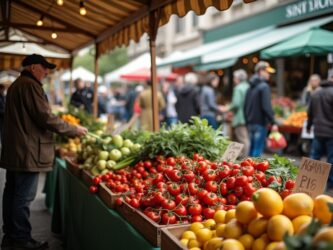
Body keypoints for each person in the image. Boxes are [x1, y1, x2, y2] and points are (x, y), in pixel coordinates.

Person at [0, 54, 88, 250]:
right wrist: (74, 130)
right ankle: (21, 239)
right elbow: (45, 117)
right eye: (44, 67)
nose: (47, 72)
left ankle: (11, 236)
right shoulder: (30, 86)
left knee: (12, 194)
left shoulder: (17, 85)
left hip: (18, 149)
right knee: (22, 197)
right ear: (33, 67)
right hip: (27, 151)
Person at [244, 61, 278, 157]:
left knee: (251, 150)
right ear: (261, 71)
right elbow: (266, 107)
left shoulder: (249, 86)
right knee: (257, 151)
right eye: (267, 72)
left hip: (250, 122)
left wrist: (247, 119)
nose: (269, 75)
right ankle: (254, 171)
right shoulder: (264, 87)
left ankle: (248, 170)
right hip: (260, 123)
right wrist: (273, 122)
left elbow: (245, 106)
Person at [307, 73, 333, 189]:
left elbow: (310, 113)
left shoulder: (316, 93)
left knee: (314, 159)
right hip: (331, 132)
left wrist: (308, 126)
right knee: (331, 159)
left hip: (318, 131)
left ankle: (310, 184)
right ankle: (330, 184)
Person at [228, 69, 250, 158]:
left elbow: (236, 104)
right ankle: (232, 159)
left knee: (242, 139)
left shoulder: (238, 88)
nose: (233, 79)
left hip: (239, 117)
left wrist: (228, 108)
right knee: (240, 139)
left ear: (238, 78)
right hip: (248, 116)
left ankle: (242, 160)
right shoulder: (248, 86)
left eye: (234, 77)